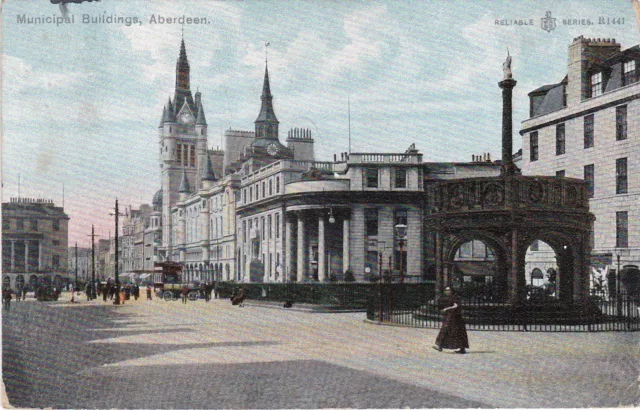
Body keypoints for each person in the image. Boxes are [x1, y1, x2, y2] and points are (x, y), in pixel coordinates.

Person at [433, 287, 469, 354]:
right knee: (449, 331)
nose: (447, 291)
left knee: (448, 331)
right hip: (451, 317)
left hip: (455, 318)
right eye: (446, 290)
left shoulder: (455, 297)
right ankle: (440, 346)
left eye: (448, 290)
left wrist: (446, 309)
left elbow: (455, 306)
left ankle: (441, 346)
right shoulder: (450, 297)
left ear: (451, 291)